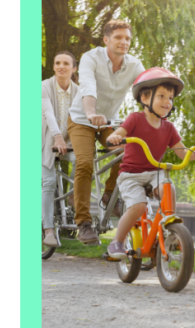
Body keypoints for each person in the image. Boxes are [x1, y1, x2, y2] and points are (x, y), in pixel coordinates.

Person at [104, 68, 195, 258]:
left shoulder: (169, 128)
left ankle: (170, 228)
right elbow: (119, 134)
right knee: (138, 206)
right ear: (145, 98)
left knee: (168, 189)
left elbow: (182, 152)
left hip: (155, 172)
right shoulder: (135, 119)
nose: (167, 102)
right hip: (131, 174)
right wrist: (115, 137)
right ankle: (117, 241)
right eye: (161, 96)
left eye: (170, 98)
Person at [66, 19, 146, 244]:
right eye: (118, 37)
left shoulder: (134, 64)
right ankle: (83, 223)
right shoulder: (91, 58)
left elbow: (146, 87)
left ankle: (109, 196)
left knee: (129, 151)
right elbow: (88, 86)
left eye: (127, 38)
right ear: (106, 40)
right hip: (82, 119)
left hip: (108, 122)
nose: (124, 42)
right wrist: (91, 113)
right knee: (84, 163)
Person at [42, 51, 79, 247]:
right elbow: (48, 112)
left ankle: (73, 195)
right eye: (57, 63)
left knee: (83, 163)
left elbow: (81, 118)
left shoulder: (78, 91)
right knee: (49, 182)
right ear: (54, 66)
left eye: (66, 63)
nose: (61, 66)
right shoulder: (44, 86)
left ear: (74, 68)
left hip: (69, 141)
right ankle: (48, 230)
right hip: (45, 140)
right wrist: (57, 137)